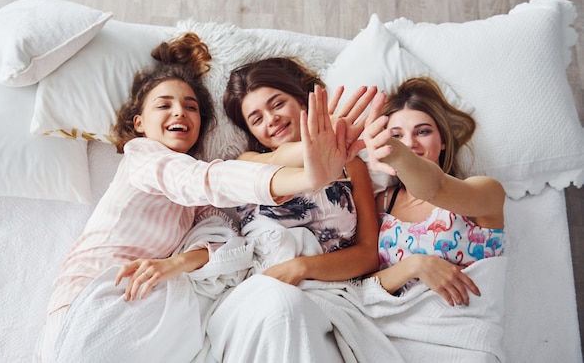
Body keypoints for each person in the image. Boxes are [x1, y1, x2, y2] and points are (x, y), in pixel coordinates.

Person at [33, 34, 356, 363]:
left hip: (152, 302)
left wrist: (175, 262)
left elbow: (223, 243)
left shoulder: (200, 196)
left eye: (191, 107)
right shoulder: (142, 157)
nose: (180, 113)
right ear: (139, 123)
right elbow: (205, 179)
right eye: (164, 105)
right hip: (93, 300)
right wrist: (308, 178)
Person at [205, 57, 384, 362]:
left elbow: (369, 254)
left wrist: (300, 268)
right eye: (256, 119)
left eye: (277, 104)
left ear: (303, 101)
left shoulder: (352, 165)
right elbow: (278, 160)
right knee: (282, 308)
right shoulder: (247, 163)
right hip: (260, 292)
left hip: (324, 296)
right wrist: (314, 147)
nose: (271, 119)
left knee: (295, 315)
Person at [362, 76, 506, 307]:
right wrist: (416, 266)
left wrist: (394, 151)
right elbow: (363, 285)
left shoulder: (484, 192)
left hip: (461, 332)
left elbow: (433, 188)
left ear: (443, 141)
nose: (409, 143)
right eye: (396, 135)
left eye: (422, 132)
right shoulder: (382, 203)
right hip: (389, 334)